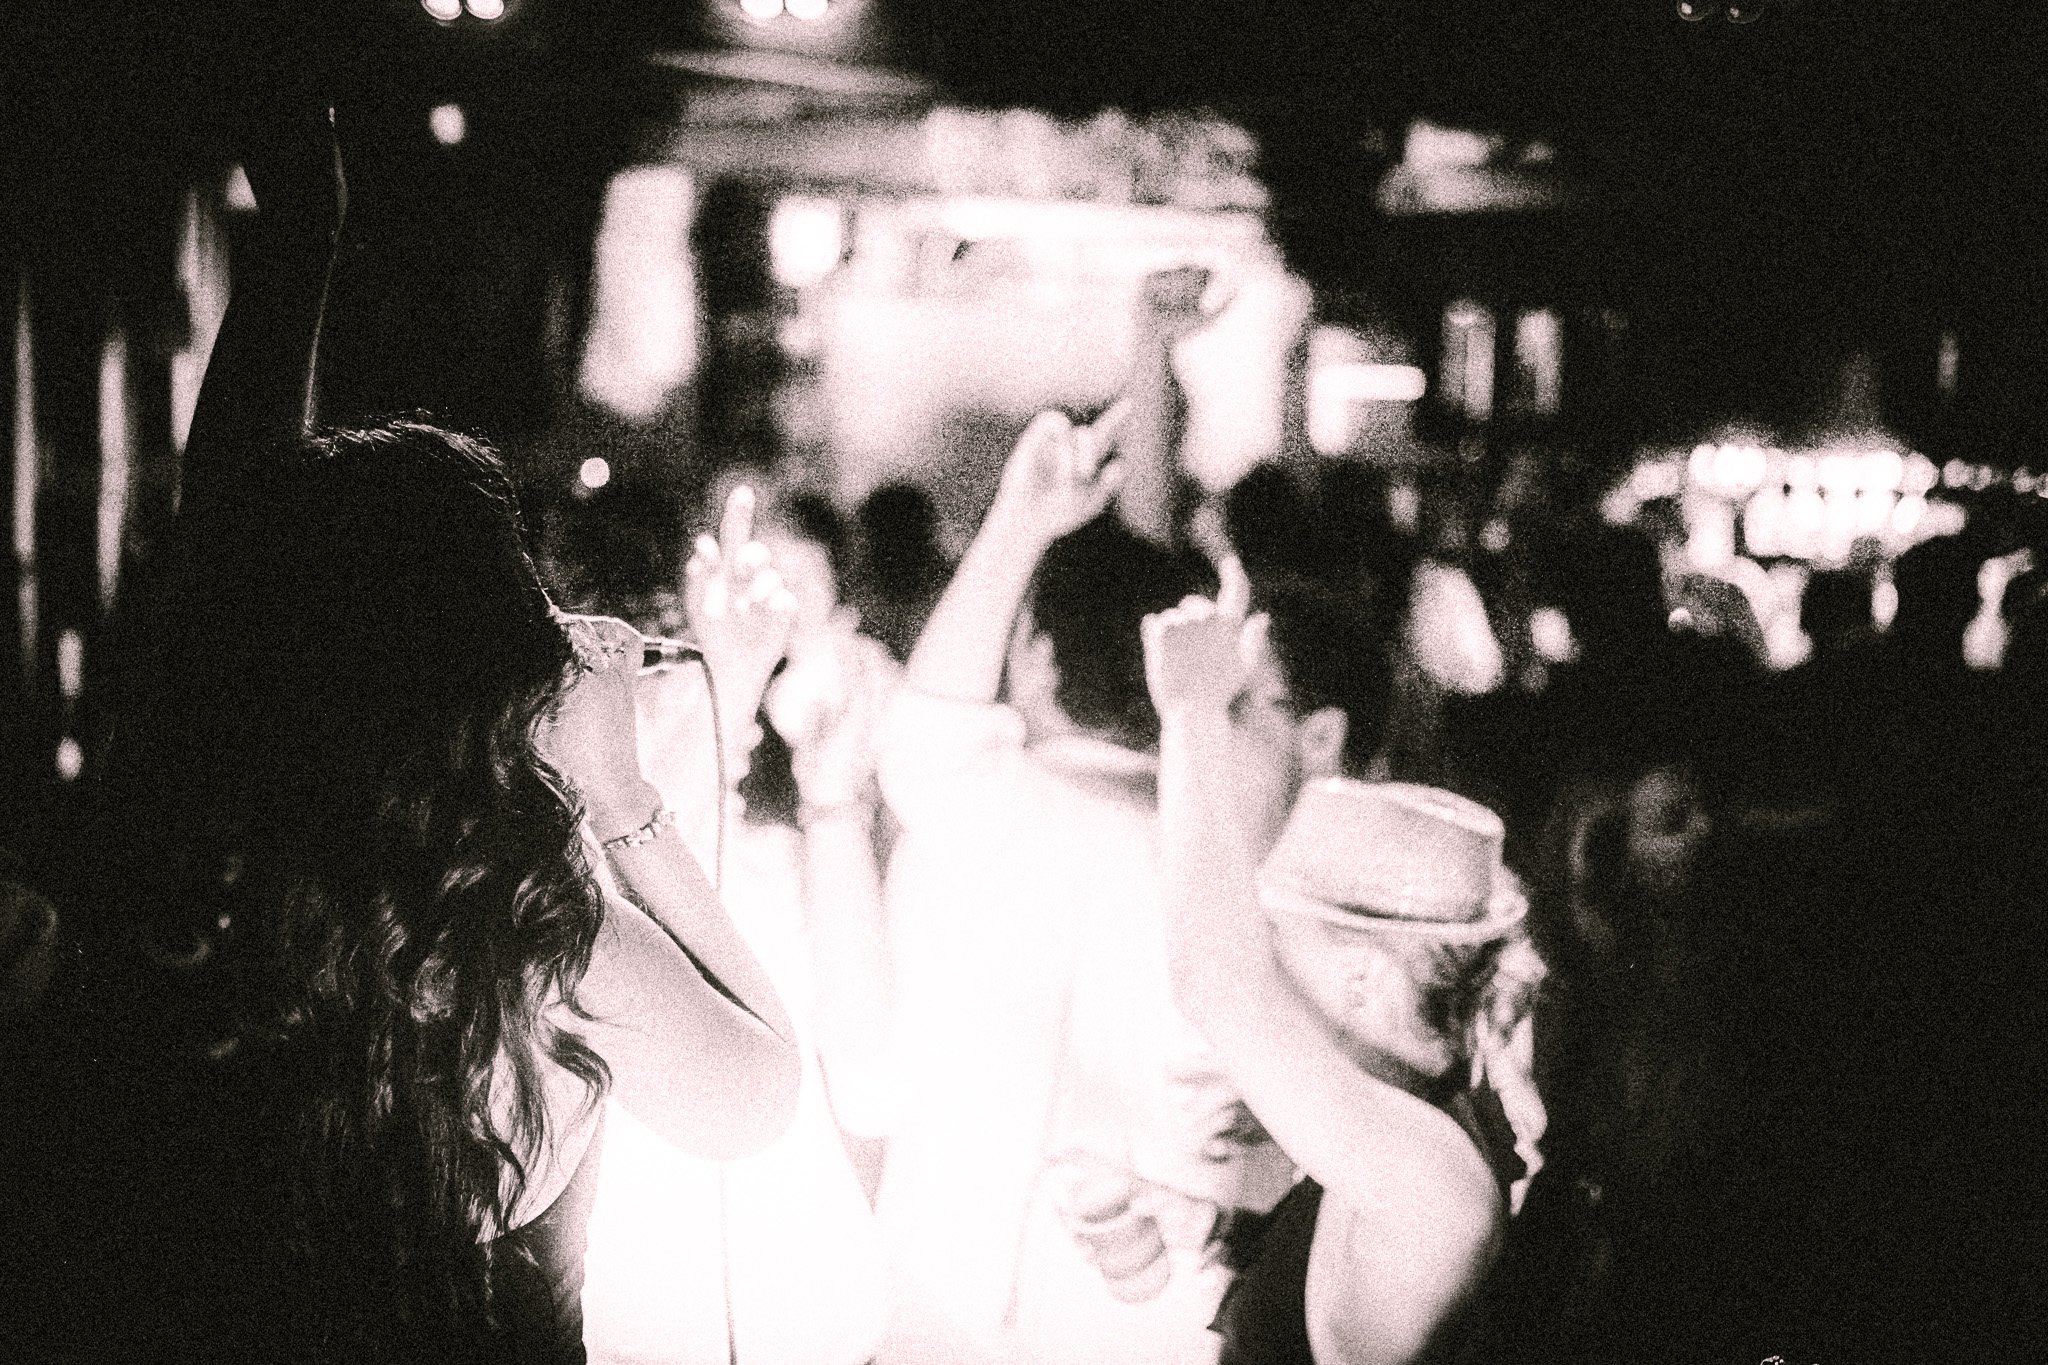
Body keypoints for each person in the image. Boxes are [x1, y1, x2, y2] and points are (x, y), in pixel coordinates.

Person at [59, 92, 801, 1364]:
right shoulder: (528, 937)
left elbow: (233, 535)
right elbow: (757, 1097)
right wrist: (619, 792)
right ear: (488, 667)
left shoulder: (190, 828)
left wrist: (305, 246)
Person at [867, 404, 1269, 1365]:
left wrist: (1019, 522)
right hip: (1158, 1324)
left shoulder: (987, 811)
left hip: (948, 1307)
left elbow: (926, 729)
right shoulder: (1230, 866)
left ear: (1037, 652)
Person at [1143, 563, 1545, 1365]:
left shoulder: (1434, 1179)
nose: (1266, 952)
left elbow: (1217, 983)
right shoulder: (1400, 1132)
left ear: (1364, 976)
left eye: (1283, 935)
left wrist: (1191, 710)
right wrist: (1210, 1231)